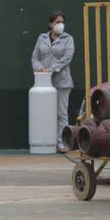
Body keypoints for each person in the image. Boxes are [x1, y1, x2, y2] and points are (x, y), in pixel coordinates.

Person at [31, 11, 74, 153]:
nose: (60, 25)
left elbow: (67, 58)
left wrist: (51, 69)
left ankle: (62, 143)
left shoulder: (68, 39)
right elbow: (35, 58)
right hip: (43, 83)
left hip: (62, 81)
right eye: (57, 22)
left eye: (62, 22)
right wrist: (40, 69)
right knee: (45, 114)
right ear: (51, 24)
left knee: (61, 113)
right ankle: (46, 143)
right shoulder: (41, 38)